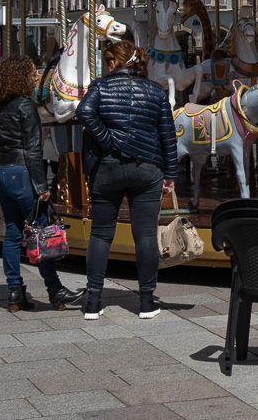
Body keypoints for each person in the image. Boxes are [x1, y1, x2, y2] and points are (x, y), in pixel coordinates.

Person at [76, 40, 176, 320]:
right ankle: (146, 301)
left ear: (113, 62)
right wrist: (170, 174)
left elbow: (84, 112)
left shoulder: (100, 87)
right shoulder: (155, 91)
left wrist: (108, 141)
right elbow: (168, 135)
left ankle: (93, 302)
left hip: (107, 166)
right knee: (145, 235)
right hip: (147, 168)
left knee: (100, 233)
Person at [0, 55, 81, 312]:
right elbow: (33, 149)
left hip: (2, 172)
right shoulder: (25, 105)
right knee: (42, 232)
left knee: (13, 233)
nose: (36, 76)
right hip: (23, 174)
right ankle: (55, 290)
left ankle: (15, 291)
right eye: (31, 73)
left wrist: (7, 164)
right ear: (21, 77)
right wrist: (42, 186)